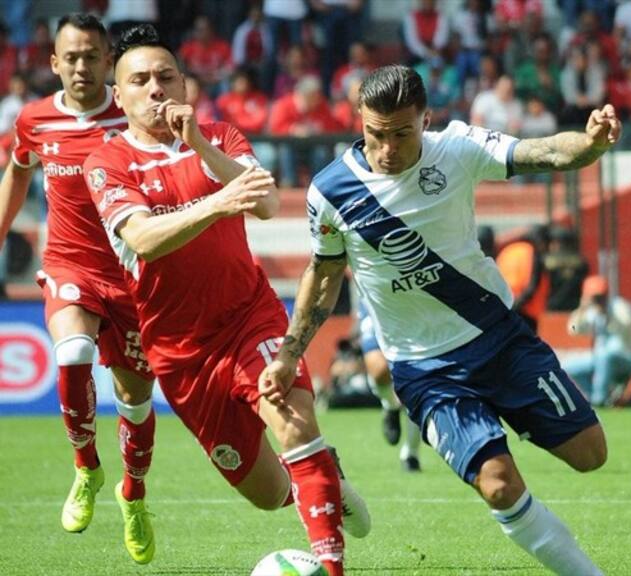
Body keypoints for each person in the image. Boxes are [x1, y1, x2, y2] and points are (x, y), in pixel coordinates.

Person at [260, 64, 620, 575]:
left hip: (499, 338)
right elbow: (323, 275)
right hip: (425, 369)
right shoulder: (331, 191)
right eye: (375, 134)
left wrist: (590, 145)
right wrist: (287, 357)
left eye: (402, 134)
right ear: (359, 122)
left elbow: (541, 152)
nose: (388, 149)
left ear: (425, 120)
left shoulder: (457, 148)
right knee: (499, 483)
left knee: (590, 453)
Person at [83, 25, 369, 576]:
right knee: (264, 491)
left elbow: (263, 204)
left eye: (166, 76)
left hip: (247, 315)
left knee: (291, 417)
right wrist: (217, 206)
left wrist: (199, 146)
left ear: (185, 84)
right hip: (181, 348)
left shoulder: (219, 135)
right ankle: (324, 479)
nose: (155, 88)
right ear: (118, 95)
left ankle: (332, 565)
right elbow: (143, 237)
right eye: (139, 80)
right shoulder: (108, 163)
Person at [0, 14, 157, 564]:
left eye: (92, 56)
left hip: (134, 277)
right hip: (70, 266)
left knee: (136, 403)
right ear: (54, 62)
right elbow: (17, 170)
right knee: (72, 352)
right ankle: (86, 466)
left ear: (108, 60)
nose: (82, 67)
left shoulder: (135, 112)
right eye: (71, 57)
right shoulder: (34, 120)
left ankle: (133, 496)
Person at [358, 299, 422, 472]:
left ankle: (410, 453)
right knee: (378, 369)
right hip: (375, 298)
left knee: (414, 379)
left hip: (411, 301)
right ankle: (390, 404)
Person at [563, 275, 631, 406]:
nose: (598, 300)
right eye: (594, 297)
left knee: (604, 355)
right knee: (568, 367)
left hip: (625, 358)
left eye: (600, 297)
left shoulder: (619, 306)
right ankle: (593, 397)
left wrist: (606, 312)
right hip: (601, 360)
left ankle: (600, 400)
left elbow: (627, 323)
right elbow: (573, 329)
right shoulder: (591, 312)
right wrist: (582, 309)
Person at [496, 225, 551, 333]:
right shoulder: (533, 253)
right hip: (524, 310)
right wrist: (516, 306)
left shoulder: (508, 250)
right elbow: (533, 285)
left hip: (503, 306)